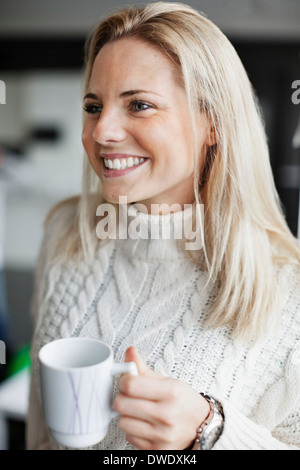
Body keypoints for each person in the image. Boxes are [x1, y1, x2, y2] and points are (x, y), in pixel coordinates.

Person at [26, 2, 300, 450]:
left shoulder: (289, 290)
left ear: (213, 123)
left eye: (139, 105)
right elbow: (41, 425)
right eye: (94, 106)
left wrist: (212, 430)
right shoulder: (65, 232)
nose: (101, 132)